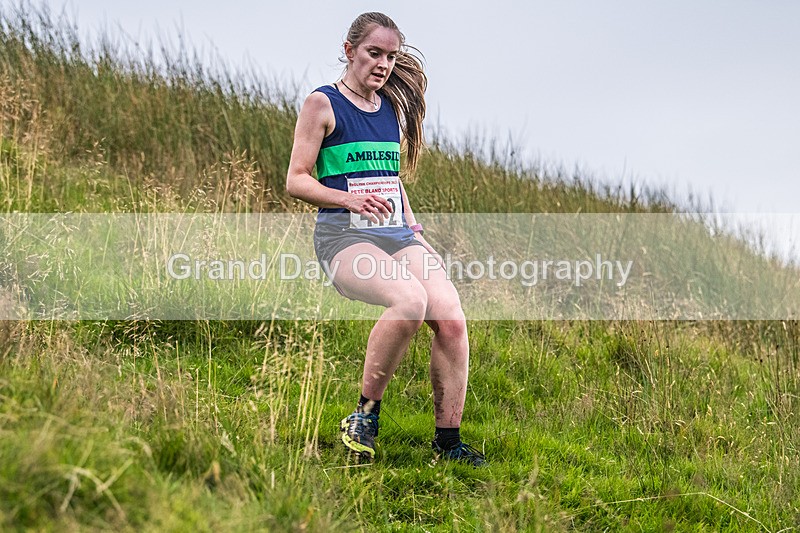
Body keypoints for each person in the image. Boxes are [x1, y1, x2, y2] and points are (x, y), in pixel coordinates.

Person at [286, 12, 485, 466]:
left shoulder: (391, 109)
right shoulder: (323, 104)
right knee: (410, 302)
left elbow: (391, 181)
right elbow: (296, 180)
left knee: (451, 317)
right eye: (374, 53)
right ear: (349, 49)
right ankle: (364, 416)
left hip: (396, 234)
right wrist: (348, 200)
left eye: (391, 56)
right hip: (343, 236)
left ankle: (448, 444)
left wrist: (417, 233)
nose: (383, 64)